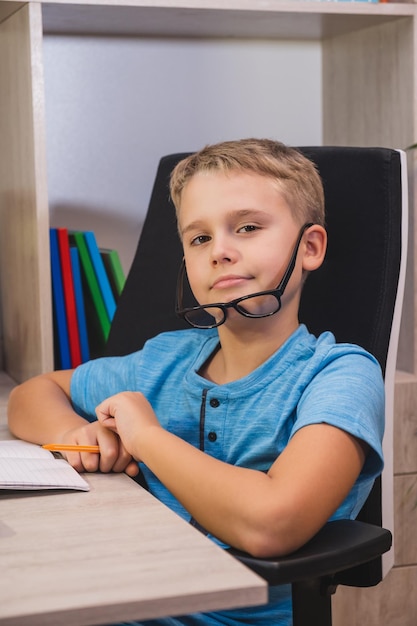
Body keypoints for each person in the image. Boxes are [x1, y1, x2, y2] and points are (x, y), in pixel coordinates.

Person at [7, 138, 384, 626]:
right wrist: (81, 433)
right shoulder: (164, 359)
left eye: (247, 227)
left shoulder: (340, 374)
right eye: (199, 238)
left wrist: (145, 437)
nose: (220, 251)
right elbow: (32, 393)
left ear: (309, 247)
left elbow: (272, 524)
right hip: (119, 599)